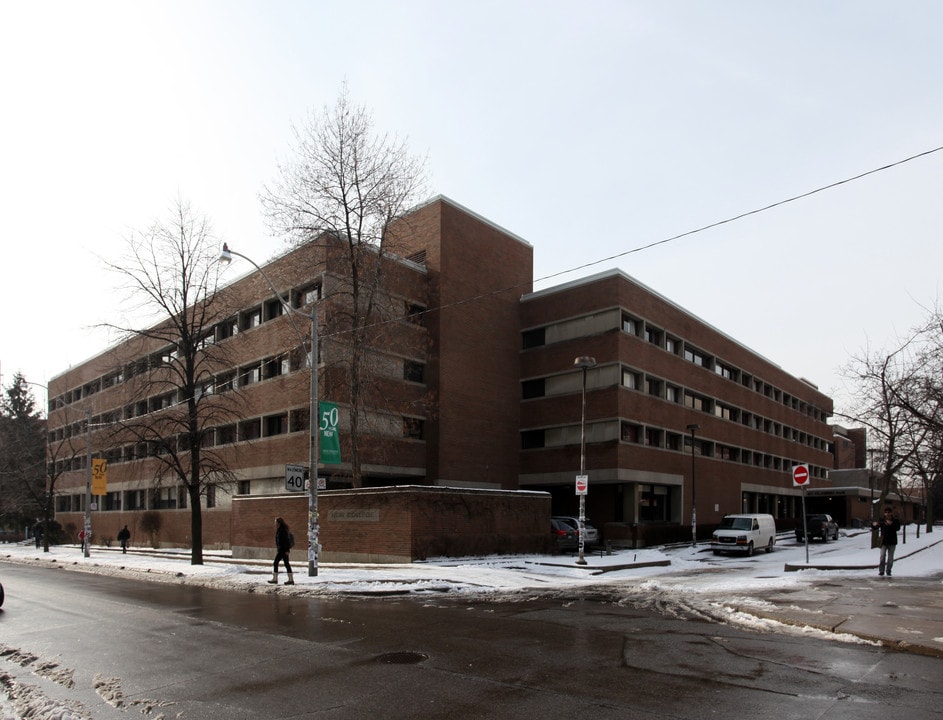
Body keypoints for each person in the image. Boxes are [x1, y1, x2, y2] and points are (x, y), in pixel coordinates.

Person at [873, 506, 901, 577]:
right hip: (884, 542)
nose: (887, 514)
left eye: (889, 512)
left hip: (892, 542)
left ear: (891, 513)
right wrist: (874, 525)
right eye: (886, 512)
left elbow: (898, 528)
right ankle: (881, 571)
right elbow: (876, 527)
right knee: (882, 556)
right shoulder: (882, 520)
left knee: (890, 557)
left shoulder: (895, 520)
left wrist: (891, 524)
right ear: (884, 513)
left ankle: (888, 570)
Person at [268, 517, 294, 585]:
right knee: (286, 564)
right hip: (282, 549)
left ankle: (275, 579)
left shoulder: (282, 530)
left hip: (283, 550)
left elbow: (286, 541)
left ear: (279, 523)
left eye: (276, 522)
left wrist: (286, 550)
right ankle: (290, 580)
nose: (275, 524)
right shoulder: (280, 530)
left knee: (276, 562)